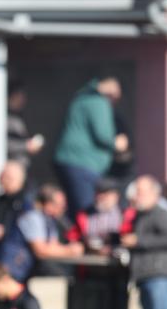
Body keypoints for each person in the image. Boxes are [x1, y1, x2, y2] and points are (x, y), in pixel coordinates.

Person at [54, 77, 128, 218]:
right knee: (86, 209)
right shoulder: (99, 102)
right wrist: (117, 143)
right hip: (83, 163)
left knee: (74, 208)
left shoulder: (81, 98)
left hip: (69, 161)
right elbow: (103, 135)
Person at [0, 184, 83, 282]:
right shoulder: (33, 217)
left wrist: (70, 248)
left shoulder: (50, 221)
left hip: (23, 272)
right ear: (48, 204)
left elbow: (53, 246)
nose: (63, 208)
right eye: (60, 205)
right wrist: (69, 251)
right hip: (10, 272)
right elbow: (40, 251)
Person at [122, 175, 167, 309]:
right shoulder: (139, 216)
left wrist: (139, 241)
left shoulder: (160, 214)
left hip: (158, 277)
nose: (136, 195)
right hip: (144, 277)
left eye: (140, 192)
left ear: (154, 193)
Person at [66, 177, 134, 255]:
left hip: (116, 260)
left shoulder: (125, 214)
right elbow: (73, 236)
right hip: (91, 258)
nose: (102, 197)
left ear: (116, 196)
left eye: (106, 194)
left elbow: (130, 238)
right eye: (99, 193)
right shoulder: (85, 215)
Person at [0, 161, 34, 254]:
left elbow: (28, 231)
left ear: (19, 180)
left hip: (18, 257)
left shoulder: (27, 201)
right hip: (1, 253)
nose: (3, 180)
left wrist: (4, 232)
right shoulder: (2, 199)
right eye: (2, 176)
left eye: (8, 178)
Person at [6, 81, 44, 168]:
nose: (23, 99)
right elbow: (1, 143)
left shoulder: (19, 116)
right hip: (11, 170)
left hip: (22, 169)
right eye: (21, 96)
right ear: (12, 96)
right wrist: (26, 146)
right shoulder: (2, 118)